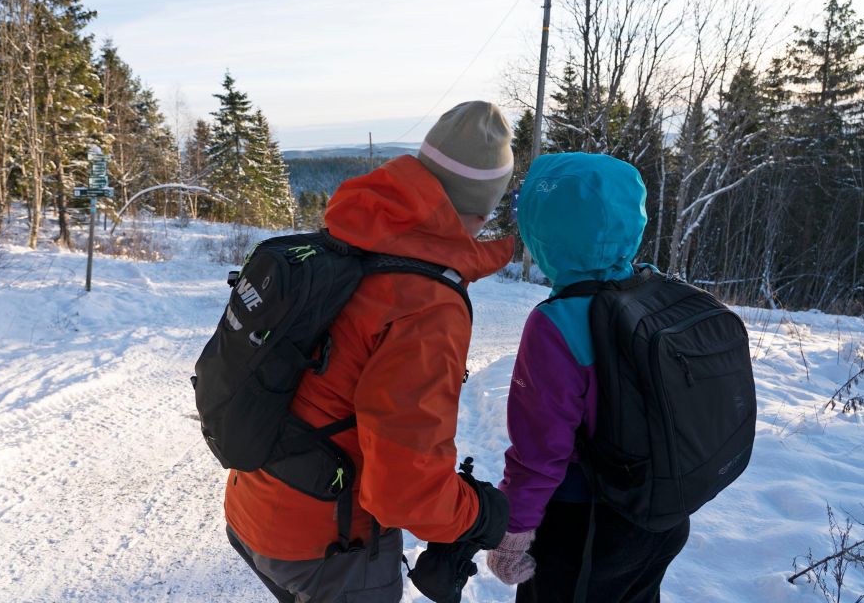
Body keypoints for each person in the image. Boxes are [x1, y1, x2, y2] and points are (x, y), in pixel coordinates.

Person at [224, 101, 515, 602]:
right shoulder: (425, 305)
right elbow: (404, 490)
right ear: (484, 208)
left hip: (254, 505)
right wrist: (479, 513)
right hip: (328, 546)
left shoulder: (349, 235)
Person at [486, 153, 690, 602]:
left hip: (586, 527)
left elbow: (540, 452)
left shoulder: (556, 325)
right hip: (661, 517)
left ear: (544, 233)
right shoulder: (656, 291)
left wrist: (514, 533)